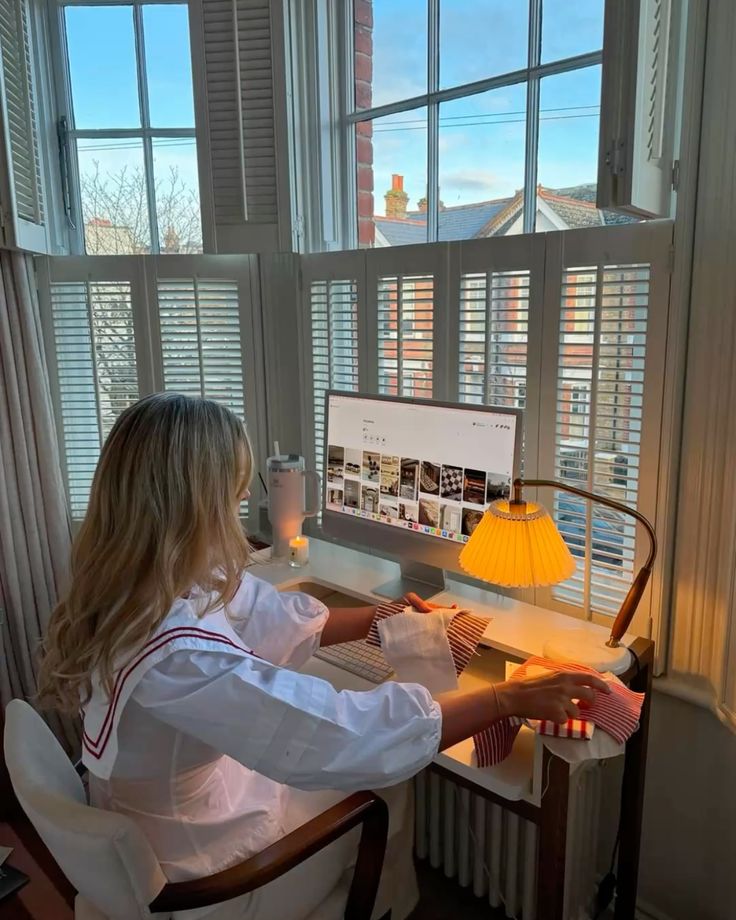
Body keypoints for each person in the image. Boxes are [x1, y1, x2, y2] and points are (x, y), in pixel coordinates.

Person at [37, 394, 609, 920]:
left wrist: (377, 619)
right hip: (206, 872)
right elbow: (345, 734)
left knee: (367, 745)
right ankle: (390, 908)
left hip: (150, 818)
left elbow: (257, 614)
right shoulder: (177, 659)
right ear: (193, 508)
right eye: (233, 498)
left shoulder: (126, 592)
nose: (242, 508)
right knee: (385, 780)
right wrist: (505, 696)